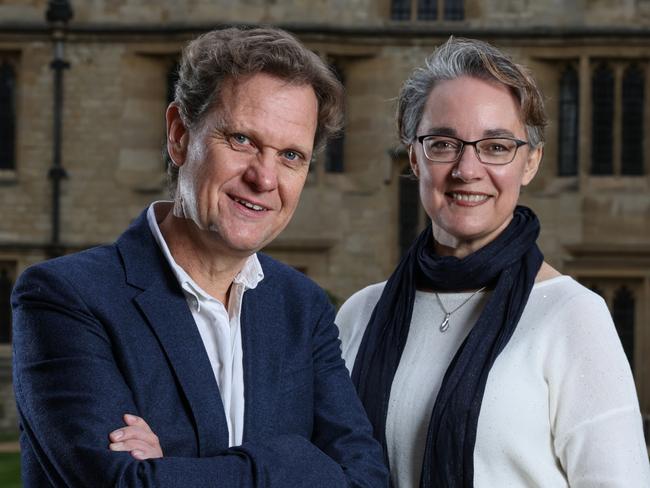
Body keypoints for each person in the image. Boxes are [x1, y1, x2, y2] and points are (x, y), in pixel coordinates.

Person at [12, 26, 388, 487]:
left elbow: (366, 480)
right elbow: (120, 484)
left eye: (291, 155)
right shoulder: (68, 297)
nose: (264, 178)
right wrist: (295, 459)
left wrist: (174, 465)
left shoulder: (301, 307)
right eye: (242, 140)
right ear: (179, 135)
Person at [335, 37, 650, 487]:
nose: (467, 169)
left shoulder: (571, 316)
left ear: (530, 163)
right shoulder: (360, 315)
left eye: (497, 147)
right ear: (413, 158)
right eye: (443, 143)